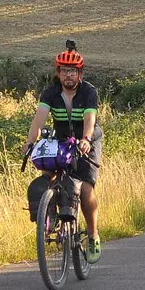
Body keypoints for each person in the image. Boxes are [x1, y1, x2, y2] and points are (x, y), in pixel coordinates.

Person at [25, 39, 103, 263]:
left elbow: (90, 118)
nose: (68, 76)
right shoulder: (50, 93)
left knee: (86, 188)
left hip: (87, 140)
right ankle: (48, 215)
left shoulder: (89, 92)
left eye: (72, 71)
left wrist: (86, 139)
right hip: (61, 139)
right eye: (64, 71)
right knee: (46, 177)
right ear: (58, 73)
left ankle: (92, 235)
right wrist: (30, 142)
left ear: (80, 73)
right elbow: (39, 119)